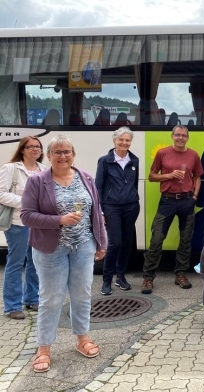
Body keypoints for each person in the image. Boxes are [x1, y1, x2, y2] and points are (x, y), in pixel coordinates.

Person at [21, 134, 107, 373]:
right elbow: (26, 215)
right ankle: (44, 348)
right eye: (57, 152)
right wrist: (60, 220)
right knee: (51, 298)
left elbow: (97, 213)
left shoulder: (86, 178)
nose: (62, 156)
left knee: (82, 295)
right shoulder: (37, 181)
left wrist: (102, 243)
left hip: (83, 247)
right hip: (51, 250)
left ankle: (82, 338)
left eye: (66, 151)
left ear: (73, 154)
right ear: (48, 156)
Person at [141, 125, 203, 294]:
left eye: (183, 135)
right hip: (167, 201)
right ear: (172, 136)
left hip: (186, 201)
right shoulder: (163, 153)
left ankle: (181, 274)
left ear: (187, 137)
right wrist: (169, 176)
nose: (180, 138)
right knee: (157, 239)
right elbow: (152, 176)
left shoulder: (193, 155)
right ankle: (148, 278)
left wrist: (195, 196)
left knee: (185, 240)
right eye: (177, 135)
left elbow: (198, 177)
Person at [0, 137, 47, 320]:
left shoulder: (44, 170)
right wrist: (27, 203)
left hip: (38, 223)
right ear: (22, 149)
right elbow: (1, 194)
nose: (35, 149)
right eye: (31, 147)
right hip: (17, 223)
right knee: (15, 263)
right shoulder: (11, 168)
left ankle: (32, 298)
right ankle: (12, 306)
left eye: (38, 147)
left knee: (35, 262)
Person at [95, 127, 140, 295]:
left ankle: (120, 277)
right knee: (114, 243)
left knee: (127, 243)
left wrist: (134, 197)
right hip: (111, 207)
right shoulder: (104, 161)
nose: (124, 143)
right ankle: (106, 281)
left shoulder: (134, 160)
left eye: (127, 140)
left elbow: (134, 184)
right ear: (114, 141)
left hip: (131, 206)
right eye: (121, 140)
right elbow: (98, 187)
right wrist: (100, 211)